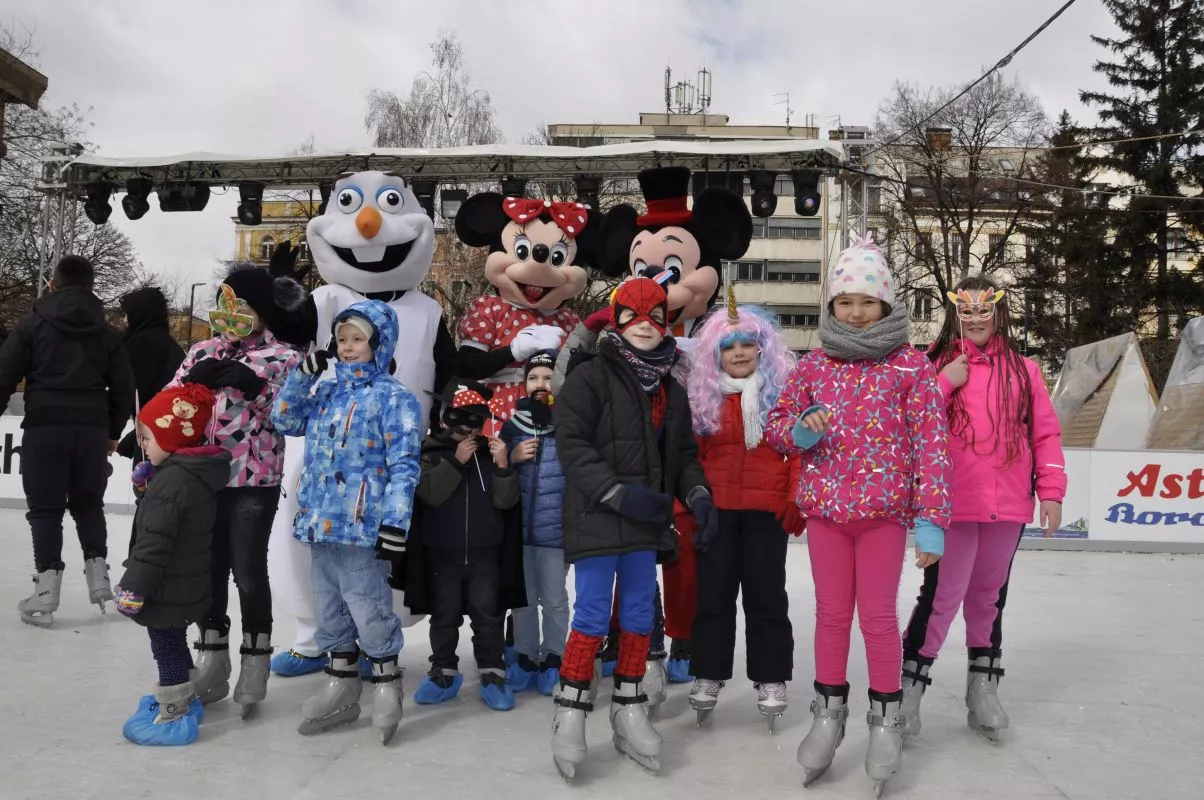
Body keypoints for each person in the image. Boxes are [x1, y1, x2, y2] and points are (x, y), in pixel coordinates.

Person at [765, 235, 950, 795]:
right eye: (845, 301)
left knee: (878, 618)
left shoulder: (910, 367)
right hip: (826, 514)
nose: (856, 311)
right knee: (830, 615)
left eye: (867, 301)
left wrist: (931, 520)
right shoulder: (814, 366)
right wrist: (801, 432)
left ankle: (885, 719)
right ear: (832, 305)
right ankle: (828, 714)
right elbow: (778, 427)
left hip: (883, 516)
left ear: (886, 304)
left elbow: (932, 446)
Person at [550, 277, 715, 781]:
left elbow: (682, 455)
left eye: (655, 316)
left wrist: (697, 494)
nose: (644, 325)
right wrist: (614, 493)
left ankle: (629, 705)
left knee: (640, 614)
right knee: (593, 614)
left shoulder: (670, 386)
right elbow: (572, 444)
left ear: (666, 323)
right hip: (598, 516)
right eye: (632, 315)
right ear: (616, 319)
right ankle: (571, 711)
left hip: (646, 520)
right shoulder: (590, 375)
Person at [899, 277, 1066, 744]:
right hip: (952, 503)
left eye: (983, 310)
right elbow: (910, 423)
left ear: (998, 312)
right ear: (955, 312)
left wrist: (1051, 491)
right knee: (942, 597)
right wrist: (943, 384)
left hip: (1007, 505)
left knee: (989, 596)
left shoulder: (1024, 371)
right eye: (966, 310)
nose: (975, 319)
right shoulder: (932, 364)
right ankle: (908, 689)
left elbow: (1045, 434)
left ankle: (983, 687)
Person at [270, 300, 420, 744]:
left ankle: (387, 682)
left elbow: (404, 465)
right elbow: (284, 419)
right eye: (342, 339)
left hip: (362, 526)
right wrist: (302, 377)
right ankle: (341, 683)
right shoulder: (326, 392)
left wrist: (395, 522)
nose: (348, 347)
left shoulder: (395, 398)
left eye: (358, 339)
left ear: (379, 344)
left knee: (369, 608)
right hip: (321, 523)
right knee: (328, 608)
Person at [169, 265, 302, 717]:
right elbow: (171, 401)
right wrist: (191, 384)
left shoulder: (283, 357)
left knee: (247, 570)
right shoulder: (201, 350)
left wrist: (256, 388)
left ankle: (255, 658)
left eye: (242, 309)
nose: (232, 318)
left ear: (261, 312)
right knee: (208, 568)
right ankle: (212, 656)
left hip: (254, 480)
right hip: (203, 477)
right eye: (225, 308)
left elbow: (293, 418)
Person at [683, 294, 804, 729]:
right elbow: (689, 457)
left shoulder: (781, 396)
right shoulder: (704, 398)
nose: (738, 354)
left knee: (766, 597)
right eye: (728, 347)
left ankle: (771, 677)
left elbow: (798, 452)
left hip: (765, 513)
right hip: (717, 512)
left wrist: (794, 498)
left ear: (762, 349)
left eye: (747, 345)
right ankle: (708, 672)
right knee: (713, 596)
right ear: (715, 355)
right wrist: (691, 502)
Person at [0, 255, 134, 627]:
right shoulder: (108, 334)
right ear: (92, 287)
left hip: (45, 426)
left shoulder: (31, 325)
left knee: (45, 509)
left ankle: (46, 591)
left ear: (52, 285)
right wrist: (112, 431)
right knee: (88, 503)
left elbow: (4, 373)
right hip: (91, 430)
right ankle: (99, 576)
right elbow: (124, 386)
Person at [114, 383, 230, 746]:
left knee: (165, 646)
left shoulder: (172, 483)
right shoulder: (188, 475)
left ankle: (174, 711)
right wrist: (148, 488)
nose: (142, 445)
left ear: (171, 437)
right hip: (184, 581)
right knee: (174, 641)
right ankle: (186, 695)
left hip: (165, 583)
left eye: (147, 438)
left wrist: (133, 587)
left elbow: (154, 543)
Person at [403, 379, 524, 712]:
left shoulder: (489, 454)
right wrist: (455, 462)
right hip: (443, 555)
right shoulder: (429, 452)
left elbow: (506, 503)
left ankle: (492, 671)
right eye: (459, 416)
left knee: (488, 616)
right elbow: (429, 494)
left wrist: (503, 466)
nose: (466, 427)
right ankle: (443, 670)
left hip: (486, 555)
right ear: (445, 416)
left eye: (474, 419)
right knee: (444, 616)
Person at [501, 350, 568, 697]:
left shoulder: (570, 424)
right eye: (533, 377)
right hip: (520, 533)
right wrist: (510, 457)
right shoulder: (512, 426)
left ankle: (555, 655)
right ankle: (525, 656)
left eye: (548, 377)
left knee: (554, 600)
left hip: (556, 534)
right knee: (523, 599)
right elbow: (497, 474)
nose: (540, 384)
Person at [115, 286, 186, 461]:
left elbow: (133, 390)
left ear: (140, 314)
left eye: (128, 314)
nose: (125, 320)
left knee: (146, 476)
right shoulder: (170, 344)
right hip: (171, 427)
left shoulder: (140, 343)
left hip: (151, 431)